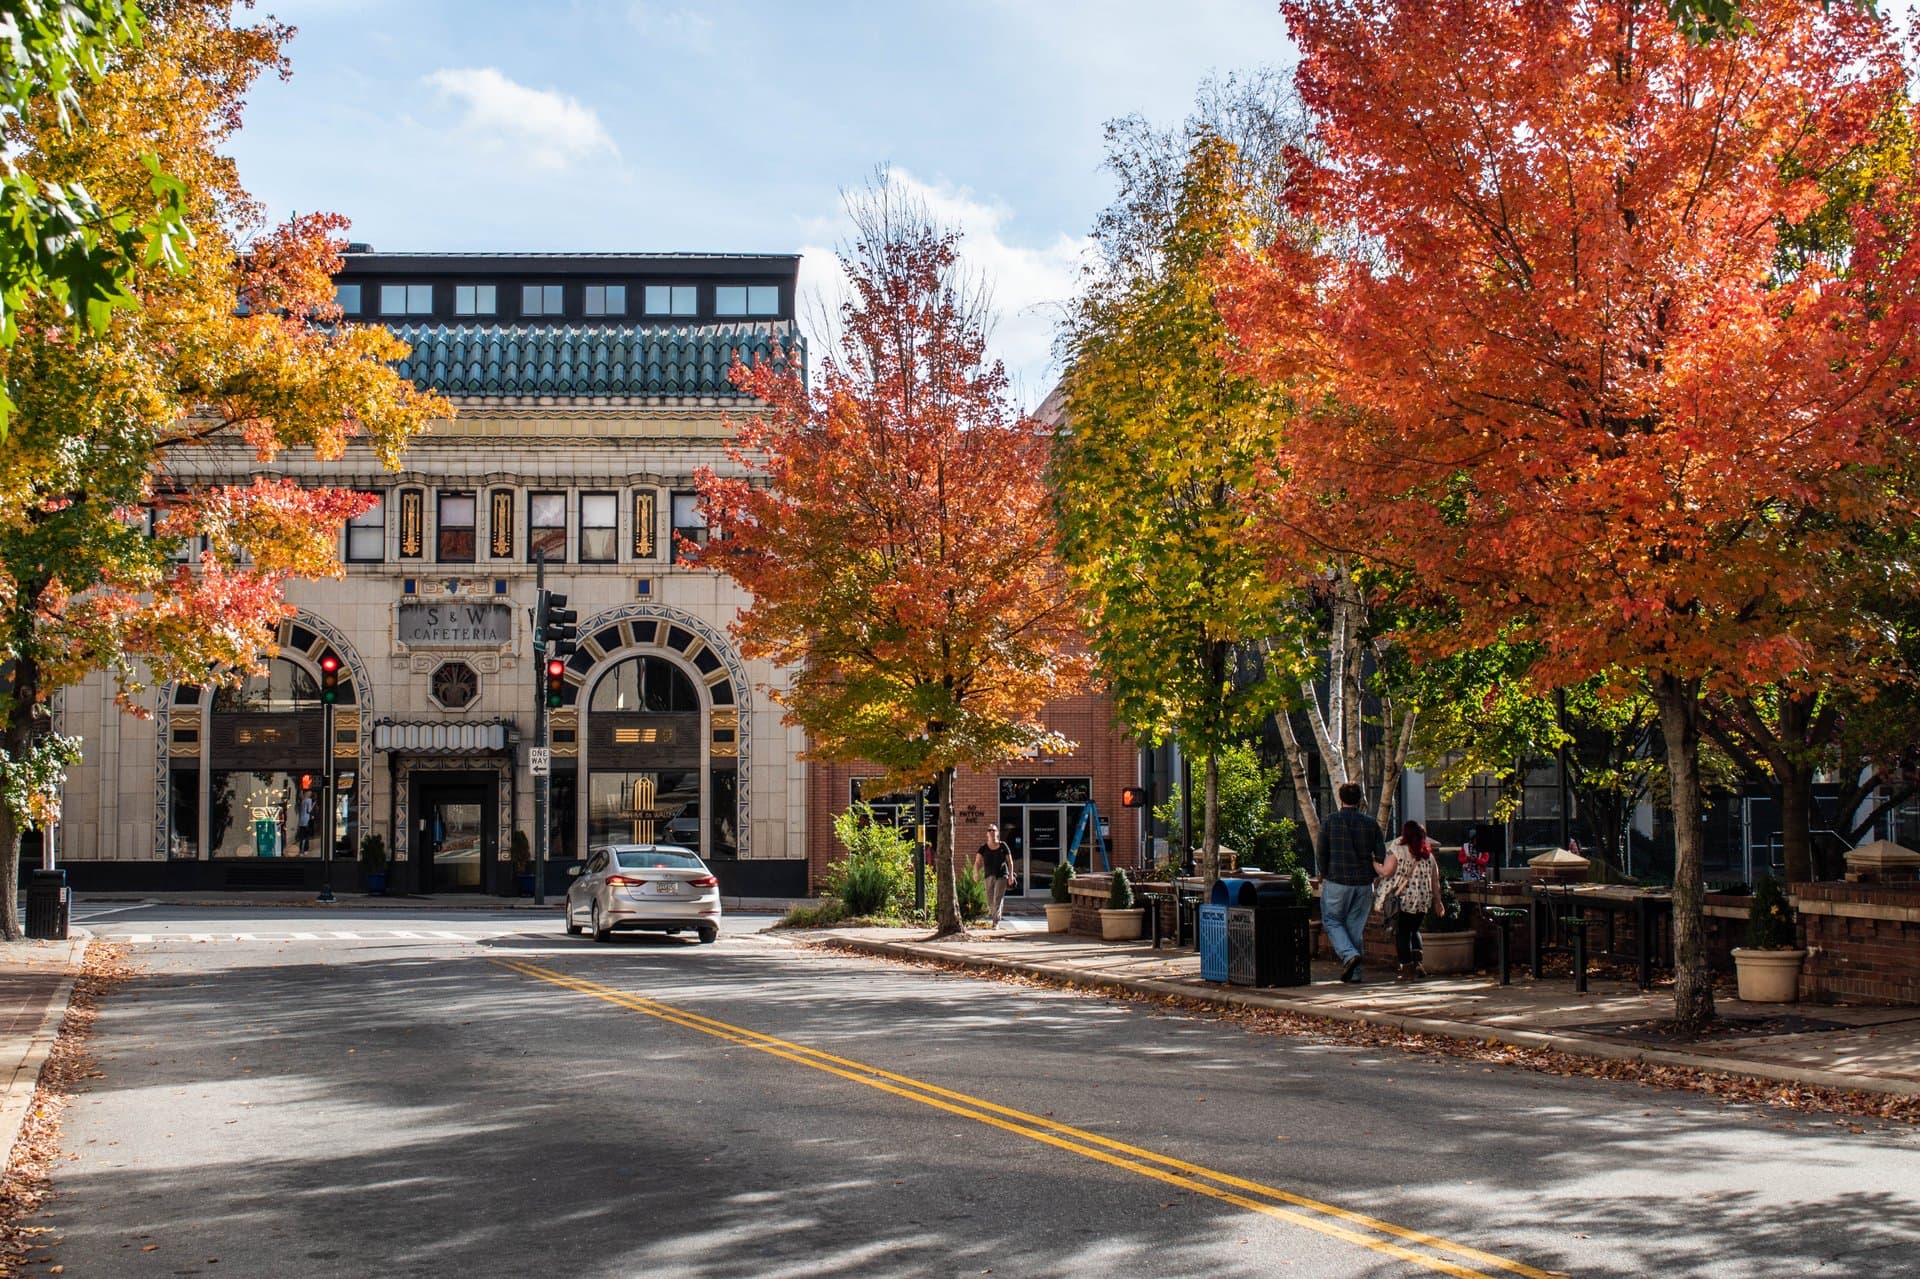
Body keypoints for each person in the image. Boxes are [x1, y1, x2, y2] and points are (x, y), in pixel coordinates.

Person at [1315, 781, 1396, 983]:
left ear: (1340, 799)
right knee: (1355, 928)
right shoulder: (1370, 824)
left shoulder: (1330, 821)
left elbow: (1321, 851)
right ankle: (1356, 973)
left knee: (1332, 920)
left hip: (1337, 879)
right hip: (1363, 882)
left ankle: (1349, 955)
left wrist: (1322, 872)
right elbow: (1380, 853)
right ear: (1360, 800)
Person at [1377, 820, 1444, 980]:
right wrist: (1438, 901)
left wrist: (1373, 863)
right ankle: (1418, 964)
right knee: (1414, 930)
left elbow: (1386, 871)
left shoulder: (1398, 850)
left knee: (1402, 933)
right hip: (1422, 901)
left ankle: (1407, 969)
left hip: (1403, 900)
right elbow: (1435, 882)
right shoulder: (1428, 856)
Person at [974, 825, 1015, 927]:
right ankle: (996, 916)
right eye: (989, 830)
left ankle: (995, 922)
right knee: (989, 899)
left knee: (997, 897)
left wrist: (1010, 875)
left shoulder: (1003, 846)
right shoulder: (983, 848)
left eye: (994, 830)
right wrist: (976, 873)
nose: (991, 831)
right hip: (988, 876)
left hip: (1001, 875)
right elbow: (977, 862)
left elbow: (1010, 862)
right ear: (987, 833)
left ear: (997, 833)